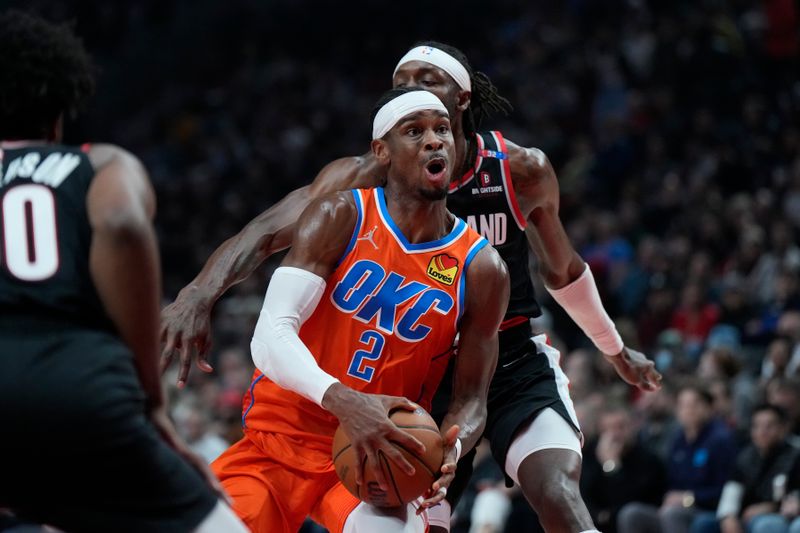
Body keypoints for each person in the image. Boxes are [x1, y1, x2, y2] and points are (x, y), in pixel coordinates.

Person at [162, 41, 661, 533]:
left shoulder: (513, 179)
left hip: (498, 360)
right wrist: (200, 292)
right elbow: (266, 234)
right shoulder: (351, 194)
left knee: (553, 492)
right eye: (401, 90)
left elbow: (563, 271)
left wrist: (613, 348)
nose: (412, 96)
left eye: (428, 89)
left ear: (460, 103)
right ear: (385, 142)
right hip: (395, 393)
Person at [209, 87, 510, 532]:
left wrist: (454, 445)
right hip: (279, 439)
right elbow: (270, 337)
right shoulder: (339, 216)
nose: (434, 140)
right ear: (381, 151)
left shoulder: (481, 268)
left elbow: (470, 400)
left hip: (380, 454)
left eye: (443, 129)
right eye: (415, 131)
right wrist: (346, 403)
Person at [0, 11, 246, 533]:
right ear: (59, 114)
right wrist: (152, 406)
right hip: (77, 392)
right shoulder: (99, 164)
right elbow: (121, 221)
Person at [618, 383, 736, 533]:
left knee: (672, 514)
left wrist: (689, 498)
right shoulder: (678, 439)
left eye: (695, 404)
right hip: (675, 508)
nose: (689, 410)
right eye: (683, 405)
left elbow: (725, 489)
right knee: (632, 513)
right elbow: (670, 483)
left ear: (709, 407)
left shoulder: (720, 439)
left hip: (705, 510)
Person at [691, 404, 800, 533]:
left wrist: (772, 507)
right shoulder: (745, 456)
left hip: (779, 514)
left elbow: (794, 496)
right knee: (704, 523)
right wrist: (728, 516)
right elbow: (732, 489)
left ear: (783, 428)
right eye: (757, 426)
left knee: (766, 524)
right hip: (745, 513)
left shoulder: (794, 456)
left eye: (769, 426)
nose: (762, 431)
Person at [580, 404, 667, 533]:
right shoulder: (591, 455)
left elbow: (631, 502)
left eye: (620, 427)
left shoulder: (647, 458)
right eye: (608, 429)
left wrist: (612, 467)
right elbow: (585, 494)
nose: (614, 434)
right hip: (598, 521)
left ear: (632, 427)